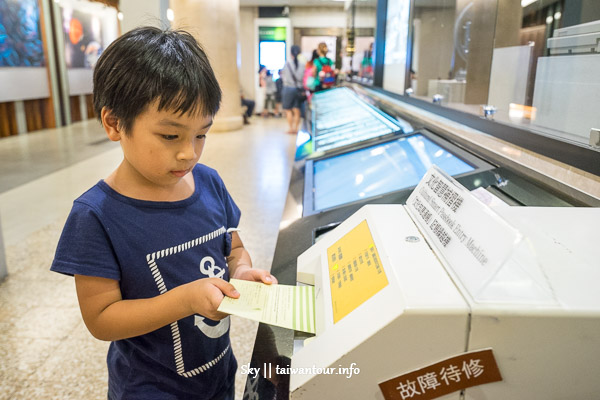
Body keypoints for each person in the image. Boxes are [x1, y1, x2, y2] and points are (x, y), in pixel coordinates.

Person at [50, 27, 277, 400]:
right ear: (114, 123)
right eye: (170, 136)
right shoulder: (96, 216)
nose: (189, 153)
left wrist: (241, 271)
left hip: (217, 373)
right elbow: (101, 318)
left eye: (201, 135)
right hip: (148, 388)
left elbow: (233, 248)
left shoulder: (209, 183)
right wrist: (185, 301)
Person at [281, 45, 306, 134]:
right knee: (296, 109)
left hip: (288, 88)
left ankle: (291, 128)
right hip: (298, 89)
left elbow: (284, 77)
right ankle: (296, 128)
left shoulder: (287, 64)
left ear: (291, 53)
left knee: (288, 110)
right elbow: (303, 77)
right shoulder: (302, 65)